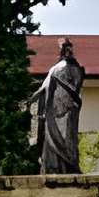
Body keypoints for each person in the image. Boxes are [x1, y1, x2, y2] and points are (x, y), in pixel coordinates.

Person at [30, 38, 86, 175]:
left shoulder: (74, 67)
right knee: (50, 141)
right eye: (64, 47)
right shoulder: (54, 69)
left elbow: (76, 87)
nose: (67, 50)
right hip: (51, 111)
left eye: (69, 47)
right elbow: (44, 88)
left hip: (66, 111)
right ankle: (52, 167)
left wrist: (69, 100)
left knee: (66, 140)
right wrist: (32, 99)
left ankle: (67, 167)